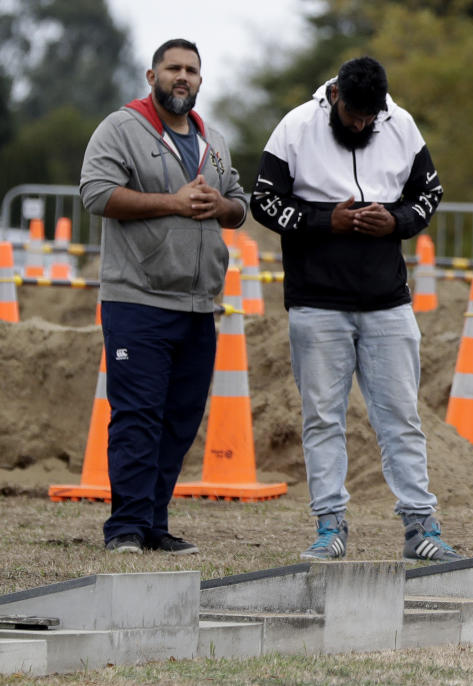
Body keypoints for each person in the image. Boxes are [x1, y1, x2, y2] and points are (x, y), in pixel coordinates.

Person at [250, 56, 460, 563]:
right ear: (336, 97)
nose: (363, 125)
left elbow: (429, 193)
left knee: (402, 417)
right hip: (317, 301)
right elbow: (263, 201)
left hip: (387, 300)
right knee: (323, 418)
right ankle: (330, 526)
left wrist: (397, 221)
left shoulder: (400, 123)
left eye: (372, 118)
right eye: (355, 117)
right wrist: (327, 223)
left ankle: (420, 527)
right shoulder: (296, 127)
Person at [79, 39, 248, 554]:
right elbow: (96, 194)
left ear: (200, 80)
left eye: (191, 71)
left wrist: (222, 204)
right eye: (173, 68)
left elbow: (240, 205)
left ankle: (153, 523)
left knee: (179, 420)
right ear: (150, 75)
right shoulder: (121, 128)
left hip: (199, 305)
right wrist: (171, 202)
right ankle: (125, 528)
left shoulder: (212, 140)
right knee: (138, 414)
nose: (183, 77)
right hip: (137, 299)